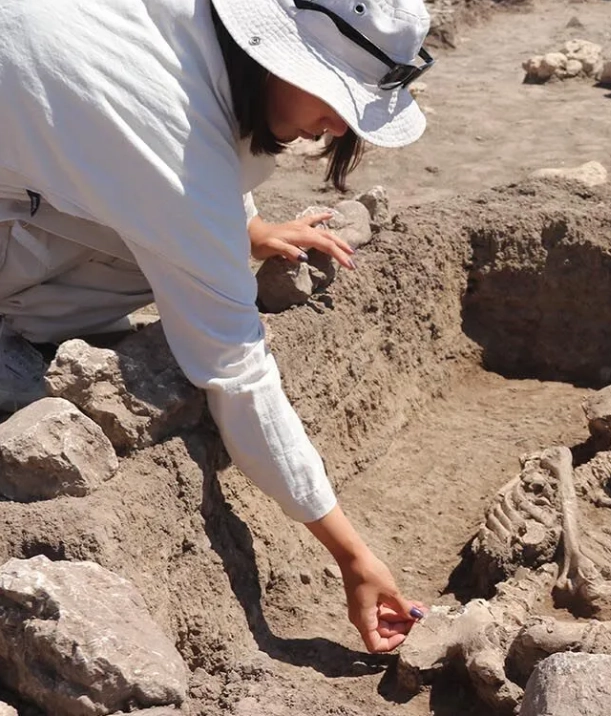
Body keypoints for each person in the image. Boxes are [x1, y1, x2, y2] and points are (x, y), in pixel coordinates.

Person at [0, 0, 436, 653]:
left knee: (196, 244)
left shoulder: (190, 24)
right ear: (280, 53)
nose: (340, 126)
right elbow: (236, 371)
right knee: (179, 257)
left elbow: (190, 121)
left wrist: (245, 227)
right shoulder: (167, 142)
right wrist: (351, 555)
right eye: (340, 95)